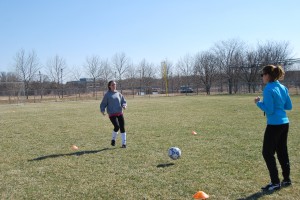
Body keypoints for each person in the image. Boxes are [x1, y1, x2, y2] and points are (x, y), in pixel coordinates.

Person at [254, 65, 293, 191]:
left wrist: (258, 103)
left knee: (267, 153)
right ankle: (286, 179)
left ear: (268, 75)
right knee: (282, 151)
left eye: (262, 75)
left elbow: (269, 110)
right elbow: (289, 106)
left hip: (274, 125)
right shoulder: (283, 87)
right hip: (284, 123)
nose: (262, 77)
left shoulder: (268, 89)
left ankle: (275, 182)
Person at [100, 81, 127, 148]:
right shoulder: (107, 95)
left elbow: (123, 101)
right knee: (117, 126)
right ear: (109, 86)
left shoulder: (118, 93)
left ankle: (124, 144)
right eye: (112, 85)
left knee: (122, 127)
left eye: (115, 84)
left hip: (119, 112)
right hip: (112, 114)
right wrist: (102, 110)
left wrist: (124, 105)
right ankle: (113, 139)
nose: (114, 85)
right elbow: (103, 104)